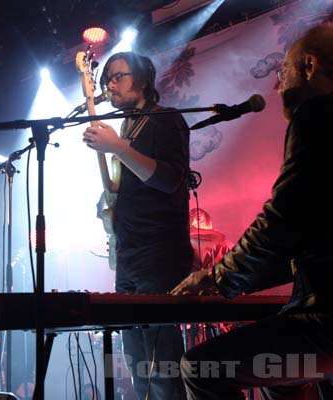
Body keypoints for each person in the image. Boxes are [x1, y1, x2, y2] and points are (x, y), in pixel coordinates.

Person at [171, 23, 333, 399]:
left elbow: (283, 219)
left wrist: (218, 277)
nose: (277, 86)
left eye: (283, 72)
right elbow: (306, 237)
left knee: (201, 368)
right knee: (282, 377)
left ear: (309, 66)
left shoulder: (318, 114)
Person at [83, 51, 193, 400]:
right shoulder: (130, 125)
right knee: (138, 367)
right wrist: (110, 206)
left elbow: (169, 180)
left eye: (118, 77)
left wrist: (117, 146)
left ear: (143, 80)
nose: (110, 85)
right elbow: (128, 185)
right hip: (130, 255)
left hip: (159, 256)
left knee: (162, 367)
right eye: (107, 80)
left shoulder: (165, 119)